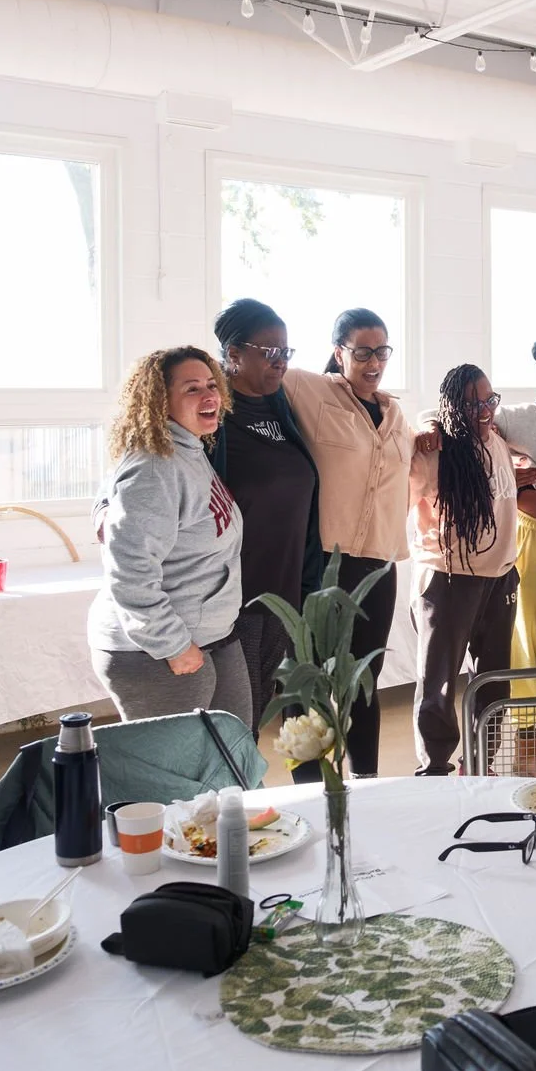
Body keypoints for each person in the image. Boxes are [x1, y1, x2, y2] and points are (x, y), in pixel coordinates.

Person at [417, 339, 536, 778]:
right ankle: (526, 743)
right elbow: (453, 418)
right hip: (524, 539)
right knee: (523, 644)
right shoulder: (520, 416)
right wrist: (429, 425)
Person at [88, 347, 251, 724]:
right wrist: (173, 645)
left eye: (212, 385)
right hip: (155, 650)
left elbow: (110, 497)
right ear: (161, 400)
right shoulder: (155, 467)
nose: (210, 395)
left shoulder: (185, 451)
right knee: (175, 778)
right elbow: (130, 572)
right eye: (192, 389)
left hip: (209, 634)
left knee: (235, 761)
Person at [283, 308, 413, 777]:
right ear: (339, 352)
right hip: (325, 567)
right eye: (362, 352)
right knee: (308, 683)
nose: (374, 361)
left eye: (382, 351)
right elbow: (240, 384)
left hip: (378, 568)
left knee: (364, 682)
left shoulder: (396, 413)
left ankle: (367, 783)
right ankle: (307, 788)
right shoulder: (309, 390)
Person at [212, 299, 321, 743]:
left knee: (302, 718)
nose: (280, 361)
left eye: (285, 352)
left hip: (289, 590)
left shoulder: (283, 406)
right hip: (240, 599)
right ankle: (239, 809)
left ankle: (308, 806)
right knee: (243, 720)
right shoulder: (213, 415)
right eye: (268, 351)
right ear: (233, 355)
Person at [409, 365, 519, 775]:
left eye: (489, 400)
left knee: (493, 681)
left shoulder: (497, 442)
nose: (484, 410)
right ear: (453, 407)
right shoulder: (436, 451)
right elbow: (399, 495)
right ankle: (435, 769)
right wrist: (427, 424)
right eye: (472, 403)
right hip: (448, 579)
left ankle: (480, 762)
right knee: (438, 684)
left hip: (501, 576)